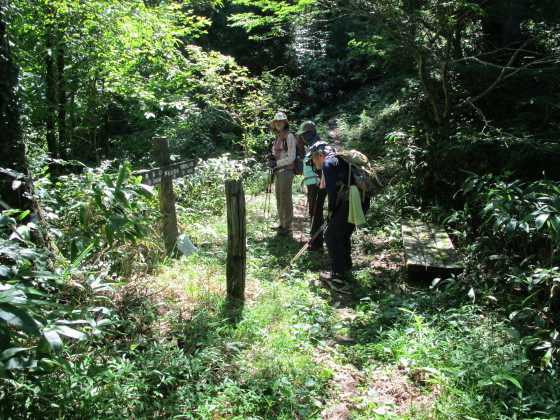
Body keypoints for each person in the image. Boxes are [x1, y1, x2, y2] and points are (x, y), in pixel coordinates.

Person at [310, 142, 370, 281]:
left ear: (320, 155)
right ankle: (346, 267)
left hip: (351, 200)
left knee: (330, 236)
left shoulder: (328, 163)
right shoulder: (340, 160)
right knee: (343, 234)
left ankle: (337, 273)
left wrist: (331, 210)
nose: (313, 162)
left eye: (313, 158)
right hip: (362, 199)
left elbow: (331, 190)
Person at [295, 121, 328, 250]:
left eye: (303, 135)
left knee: (315, 212)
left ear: (309, 134)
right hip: (314, 182)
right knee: (315, 211)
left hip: (317, 183)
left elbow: (321, 165)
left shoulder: (317, 146)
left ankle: (316, 242)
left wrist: (319, 179)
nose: (302, 138)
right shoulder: (314, 145)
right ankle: (316, 239)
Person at [267, 112, 296, 236]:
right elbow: (276, 152)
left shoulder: (289, 136)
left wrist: (276, 163)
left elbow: (291, 158)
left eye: (281, 121)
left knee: (285, 199)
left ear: (285, 122)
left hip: (286, 170)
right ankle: (282, 224)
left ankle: (288, 227)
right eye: (276, 122)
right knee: (279, 198)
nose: (278, 123)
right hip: (279, 171)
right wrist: (271, 157)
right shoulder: (278, 136)